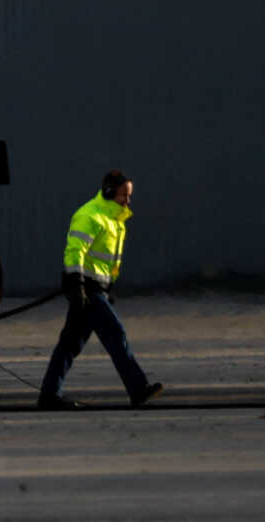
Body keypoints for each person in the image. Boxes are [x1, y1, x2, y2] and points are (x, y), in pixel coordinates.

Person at [36, 168, 165, 410]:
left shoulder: (114, 219)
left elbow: (105, 262)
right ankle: (138, 389)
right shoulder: (91, 216)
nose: (127, 201)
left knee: (69, 345)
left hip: (95, 291)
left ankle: (48, 396)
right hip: (87, 290)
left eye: (129, 196)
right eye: (123, 195)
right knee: (115, 335)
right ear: (108, 192)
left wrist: (107, 289)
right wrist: (76, 285)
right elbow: (75, 251)